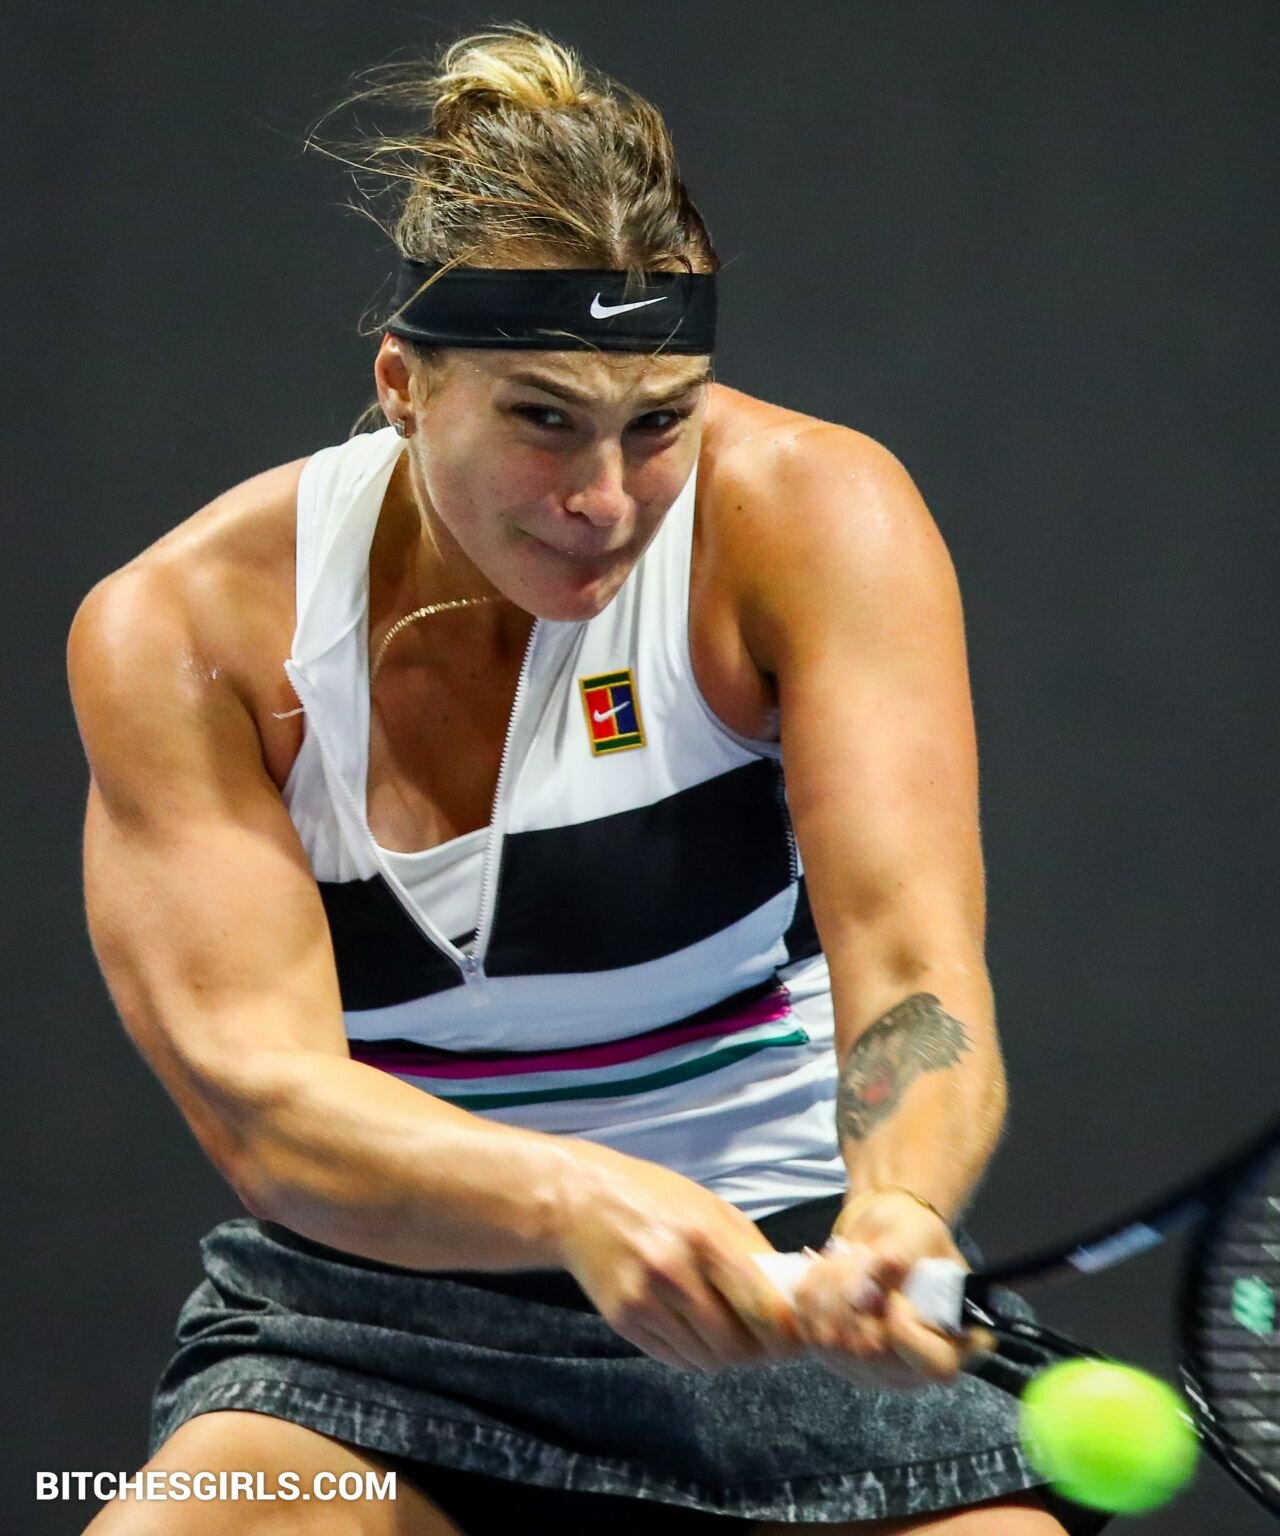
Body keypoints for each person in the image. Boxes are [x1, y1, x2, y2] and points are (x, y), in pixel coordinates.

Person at [68, 23, 1107, 1536]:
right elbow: (269, 1114)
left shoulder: (815, 517)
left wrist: (898, 1199)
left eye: (660, 421)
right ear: (405, 385)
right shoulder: (183, 633)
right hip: (374, 1325)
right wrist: (574, 1198)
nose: (606, 500)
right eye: (544, 417)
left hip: (781, 1279)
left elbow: (912, 974)